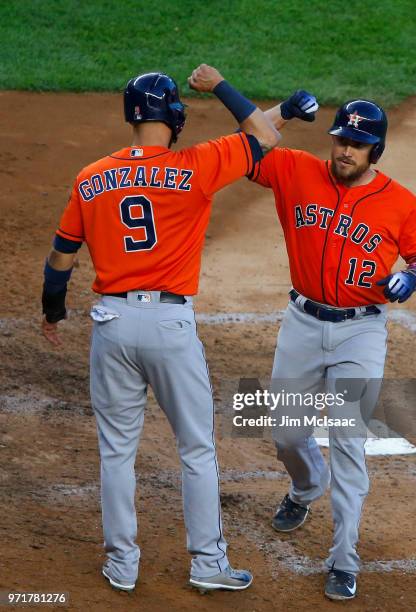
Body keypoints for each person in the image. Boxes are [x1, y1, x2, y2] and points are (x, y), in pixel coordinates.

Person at [41, 64, 280, 593]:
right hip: (170, 325)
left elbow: (60, 258)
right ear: (173, 116)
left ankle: (122, 565)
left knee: (116, 451)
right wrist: (219, 86)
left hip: (112, 323)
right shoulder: (196, 164)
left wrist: (52, 311)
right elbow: (263, 134)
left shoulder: (91, 175)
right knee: (196, 447)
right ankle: (208, 564)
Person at [249, 93, 416, 600]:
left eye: (357, 144)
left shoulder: (400, 202)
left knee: (349, 439)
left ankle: (343, 558)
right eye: (341, 141)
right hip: (302, 322)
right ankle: (307, 486)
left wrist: (412, 278)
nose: (345, 151)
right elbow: (250, 142)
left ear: (375, 150)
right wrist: (280, 109)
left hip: (361, 331)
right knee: (286, 432)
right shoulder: (296, 171)